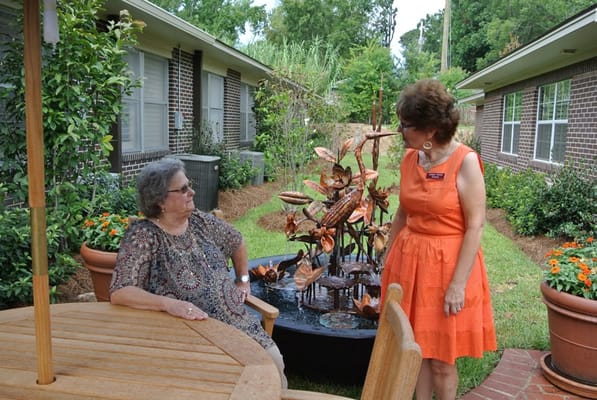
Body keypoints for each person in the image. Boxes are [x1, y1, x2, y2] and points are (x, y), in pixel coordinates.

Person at [109, 157, 287, 388]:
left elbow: (237, 241)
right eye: (183, 189)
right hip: (196, 335)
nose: (191, 192)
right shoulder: (145, 235)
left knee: (273, 365)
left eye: (189, 185)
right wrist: (168, 304)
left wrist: (243, 281)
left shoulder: (200, 221)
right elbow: (120, 291)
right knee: (255, 377)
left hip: (239, 323)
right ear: (161, 200)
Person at [381, 79, 496, 400]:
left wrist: (458, 285)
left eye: (406, 125)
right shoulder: (410, 160)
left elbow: (475, 226)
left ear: (430, 130)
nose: (400, 130)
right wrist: (388, 256)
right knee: (415, 349)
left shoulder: (466, 162)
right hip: (409, 263)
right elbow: (403, 213)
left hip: (449, 268)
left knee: (443, 360)